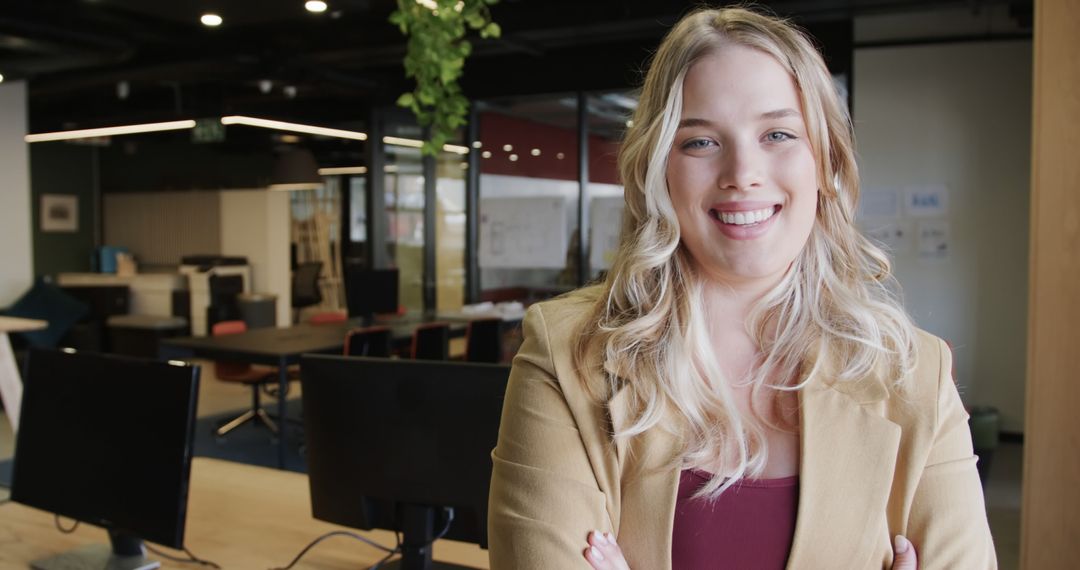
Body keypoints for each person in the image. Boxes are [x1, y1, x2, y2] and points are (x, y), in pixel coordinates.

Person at [486, 5, 996, 570]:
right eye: (700, 142)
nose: (742, 173)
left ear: (825, 160)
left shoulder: (915, 373)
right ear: (659, 168)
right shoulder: (567, 355)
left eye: (778, 133)